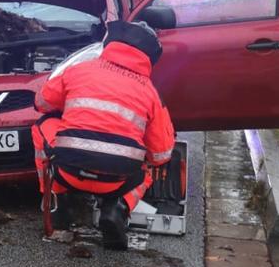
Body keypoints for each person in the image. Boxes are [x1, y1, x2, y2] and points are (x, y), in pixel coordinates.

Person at [31, 21, 176, 250]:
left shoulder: (79, 70)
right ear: (150, 57)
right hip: (116, 181)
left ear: (109, 44)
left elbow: (41, 103)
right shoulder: (150, 92)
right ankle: (119, 208)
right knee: (148, 166)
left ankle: (56, 201)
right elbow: (161, 154)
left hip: (67, 172)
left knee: (42, 125)